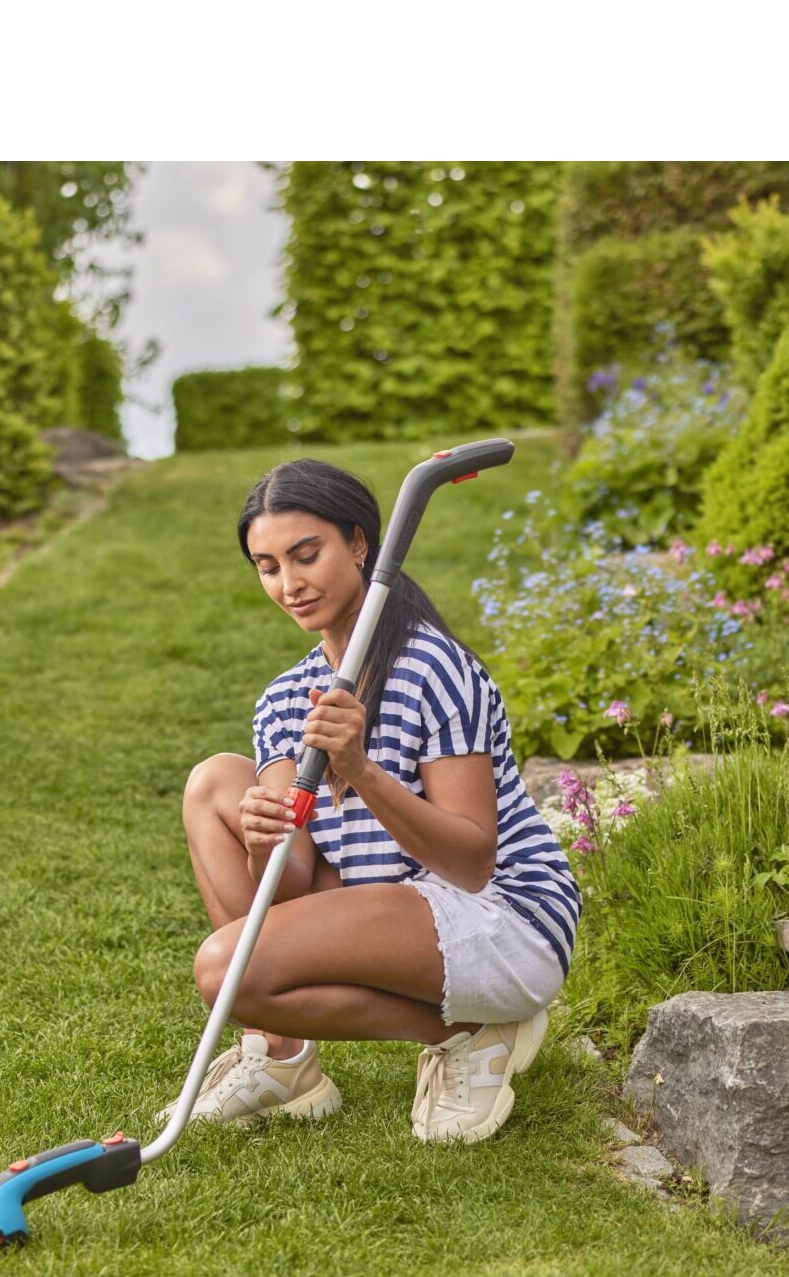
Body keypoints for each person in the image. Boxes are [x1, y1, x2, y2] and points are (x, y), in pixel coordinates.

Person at [167, 457, 581, 1145]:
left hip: (501, 917)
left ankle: (474, 1030)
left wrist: (359, 768)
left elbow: (471, 862)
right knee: (213, 783)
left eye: (306, 555)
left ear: (359, 544)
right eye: (268, 567)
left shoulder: (432, 666)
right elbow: (289, 887)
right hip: (388, 903)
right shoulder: (285, 699)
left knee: (222, 967)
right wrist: (264, 841)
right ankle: (282, 1057)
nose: (290, 585)